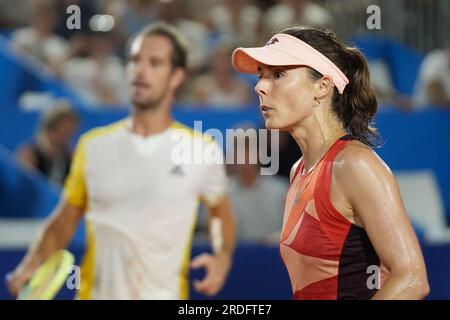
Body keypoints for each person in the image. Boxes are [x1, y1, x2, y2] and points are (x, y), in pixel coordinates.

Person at [7, 21, 236, 300]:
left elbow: (220, 214)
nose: (141, 70)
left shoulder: (202, 148)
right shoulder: (93, 146)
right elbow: (65, 220)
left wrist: (222, 256)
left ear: (176, 76)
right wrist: (33, 262)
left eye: (155, 63)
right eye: (135, 60)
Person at [231, 26, 429, 300]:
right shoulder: (297, 171)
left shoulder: (355, 165)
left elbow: (412, 279)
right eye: (260, 75)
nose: (260, 87)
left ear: (322, 87)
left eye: (278, 74)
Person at [16, 102, 79, 186]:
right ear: (50, 128)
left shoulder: (70, 157)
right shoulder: (29, 155)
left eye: (70, 132)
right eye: (65, 131)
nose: (68, 137)